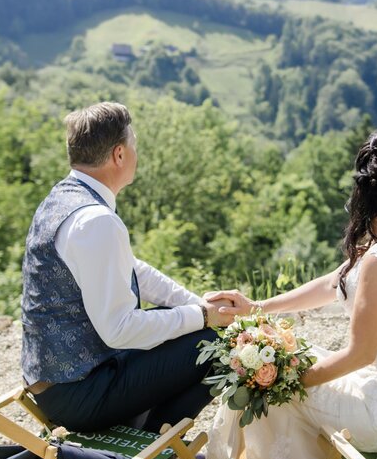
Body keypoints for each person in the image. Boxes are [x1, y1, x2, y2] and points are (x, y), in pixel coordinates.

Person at [204, 129, 377, 459]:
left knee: (272, 383)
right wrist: (256, 308)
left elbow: (359, 355)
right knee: (292, 359)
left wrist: (291, 382)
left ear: (363, 190)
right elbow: (329, 284)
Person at [20, 101, 243, 436]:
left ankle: (149, 435)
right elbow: (119, 330)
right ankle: (152, 451)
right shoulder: (96, 221)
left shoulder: (63, 198)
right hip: (79, 395)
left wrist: (197, 305)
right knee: (217, 342)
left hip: (61, 382)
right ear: (119, 155)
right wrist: (204, 318)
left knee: (193, 325)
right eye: (134, 145)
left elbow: (133, 271)